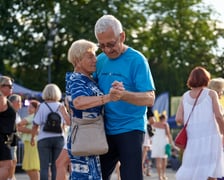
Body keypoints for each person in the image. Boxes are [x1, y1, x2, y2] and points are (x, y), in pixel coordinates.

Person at [94, 14, 155, 180]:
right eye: (102, 46)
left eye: (111, 44)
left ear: (122, 36)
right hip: (103, 128)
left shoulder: (137, 60)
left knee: (131, 176)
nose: (107, 50)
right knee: (96, 176)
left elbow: (150, 98)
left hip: (131, 128)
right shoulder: (99, 60)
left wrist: (123, 95)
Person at [65, 39, 124, 180]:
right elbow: (78, 102)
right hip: (84, 136)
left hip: (91, 136)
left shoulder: (89, 80)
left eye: (94, 56)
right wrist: (108, 97)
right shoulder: (76, 79)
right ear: (78, 60)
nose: (95, 60)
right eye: (90, 56)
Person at [175, 66, 224, 180]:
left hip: (192, 139)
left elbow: (178, 118)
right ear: (206, 79)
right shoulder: (211, 94)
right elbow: (218, 116)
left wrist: (193, 121)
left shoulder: (185, 96)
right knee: (210, 172)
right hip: (211, 137)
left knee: (193, 172)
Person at [31, 83, 67, 180]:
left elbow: (35, 124)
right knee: (56, 166)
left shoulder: (41, 106)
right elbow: (64, 124)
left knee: (44, 167)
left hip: (43, 139)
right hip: (59, 138)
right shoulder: (61, 106)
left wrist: (32, 138)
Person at [17, 100, 40, 180]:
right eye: (28, 107)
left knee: (32, 165)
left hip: (32, 143)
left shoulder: (32, 116)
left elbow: (19, 125)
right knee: (31, 165)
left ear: (36, 109)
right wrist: (31, 131)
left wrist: (27, 130)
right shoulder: (36, 116)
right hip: (30, 142)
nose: (29, 109)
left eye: (31, 107)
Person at [0, 76, 16, 179]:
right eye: (9, 86)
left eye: (12, 86)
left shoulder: (4, 98)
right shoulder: (1, 98)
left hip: (4, 136)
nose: (11, 88)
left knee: (7, 165)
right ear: (1, 86)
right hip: (1, 136)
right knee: (7, 166)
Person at [151, 113, 173, 180]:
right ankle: (163, 175)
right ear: (164, 118)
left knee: (158, 160)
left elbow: (152, 133)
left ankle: (159, 176)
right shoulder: (165, 124)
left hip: (156, 143)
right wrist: (171, 142)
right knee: (164, 159)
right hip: (163, 142)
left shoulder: (154, 124)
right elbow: (168, 134)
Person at [8, 94, 22, 180]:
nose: (21, 104)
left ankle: (11, 177)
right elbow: (17, 126)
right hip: (9, 140)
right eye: (20, 101)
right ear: (14, 102)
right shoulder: (10, 112)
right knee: (12, 161)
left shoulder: (15, 113)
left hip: (13, 140)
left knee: (14, 160)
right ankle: (10, 177)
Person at [142, 107, 155, 177]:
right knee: (145, 151)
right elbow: (152, 121)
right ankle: (141, 166)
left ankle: (145, 169)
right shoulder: (147, 107)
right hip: (144, 128)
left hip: (135, 128)